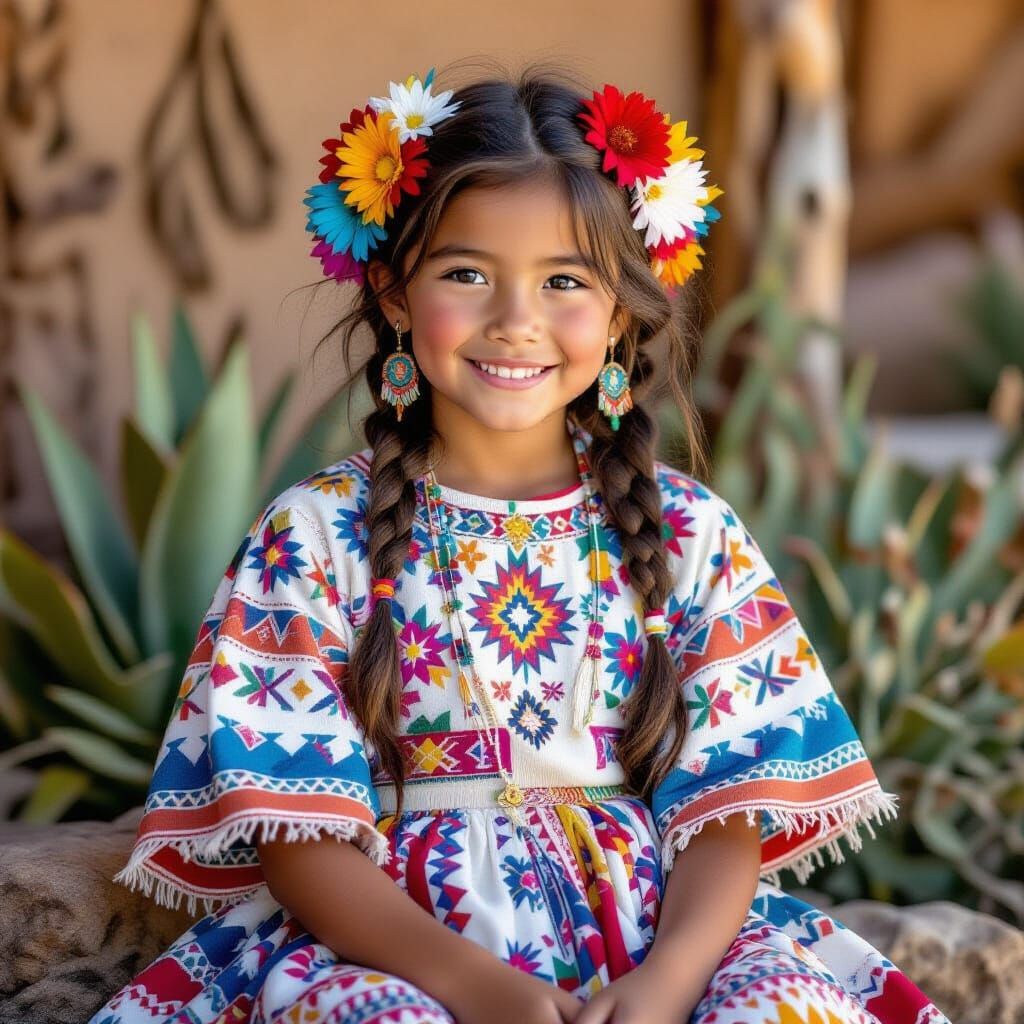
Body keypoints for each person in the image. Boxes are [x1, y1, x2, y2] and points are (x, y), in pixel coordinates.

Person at [90, 62, 950, 1024]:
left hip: (666, 944)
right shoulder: (315, 536)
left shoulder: (687, 532)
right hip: (398, 951)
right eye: (466, 273)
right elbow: (301, 839)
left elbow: (726, 811)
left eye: (565, 281)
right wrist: (475, 988)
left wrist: (667, 988)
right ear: (392, 291)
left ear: (624, 307)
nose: (516, 321)